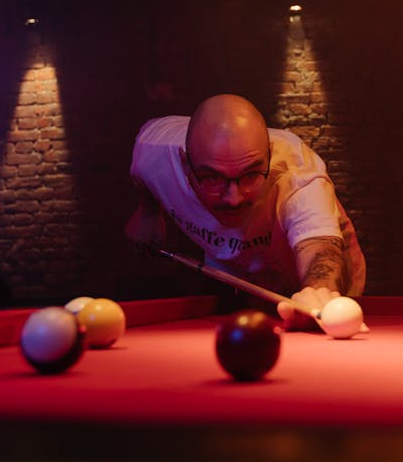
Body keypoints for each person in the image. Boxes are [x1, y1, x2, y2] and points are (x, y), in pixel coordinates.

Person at [126, 94, 366, 329]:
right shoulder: (153, 152)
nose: (234, 199)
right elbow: (142, 174)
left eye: (251, 175)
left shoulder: (298, 174)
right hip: (241, 273)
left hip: (313, 284)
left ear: (269, 156)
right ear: (185, 165)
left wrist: (318, 290)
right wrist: (148, 211)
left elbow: (319, 249)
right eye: (213, 178)